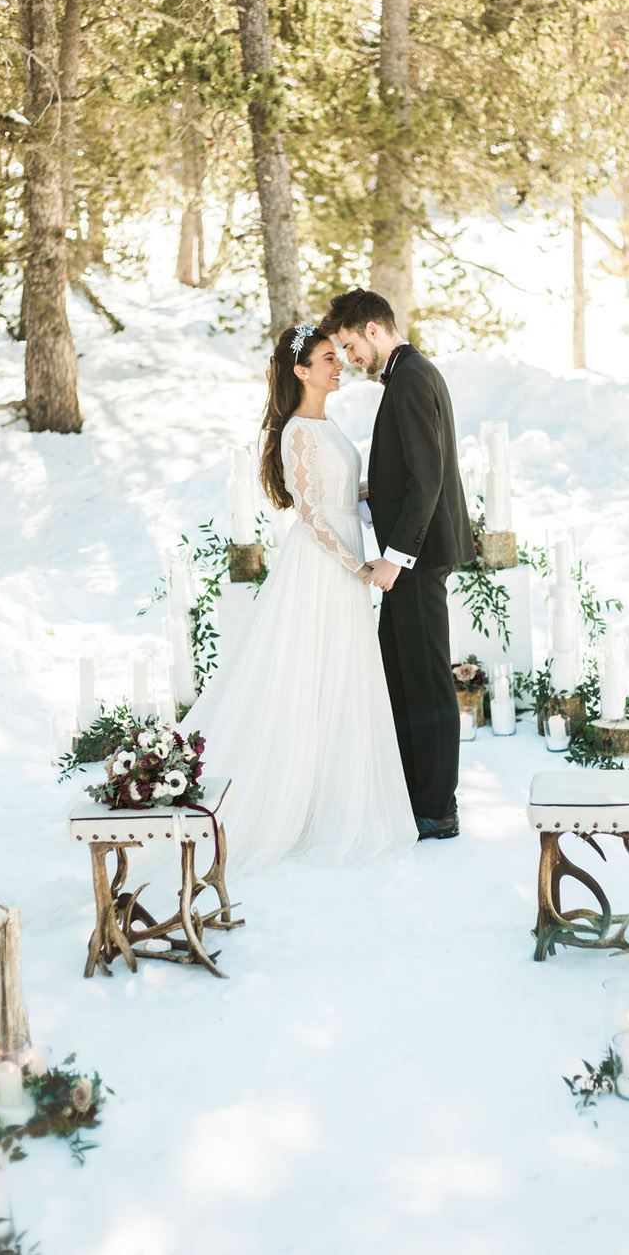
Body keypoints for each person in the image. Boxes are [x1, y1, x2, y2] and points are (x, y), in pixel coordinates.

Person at [179, 322, 417, 874]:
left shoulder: (324, 424)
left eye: (339, 357)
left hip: (341, 560)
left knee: (339, 673)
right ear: (301, 371)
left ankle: (330, 796)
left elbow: (337, 495)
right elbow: (312, 514)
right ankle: (286, 799)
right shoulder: (298, 432)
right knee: (307, 671)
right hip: (322, 566)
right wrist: (357, 563)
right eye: (328, 359)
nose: (339, 366)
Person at [322, 289, 476, 841]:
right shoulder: (411, 374)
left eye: (348, 345)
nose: (348, 358)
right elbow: (412, 471)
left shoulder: (411, 379)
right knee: (401, 675)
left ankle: (437, 807)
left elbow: (429, 478)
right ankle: (412, 793)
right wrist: (372, 490)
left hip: (415, 559)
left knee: (427, 682)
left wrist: (394, 558)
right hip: (413, 557)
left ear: (371, 329)